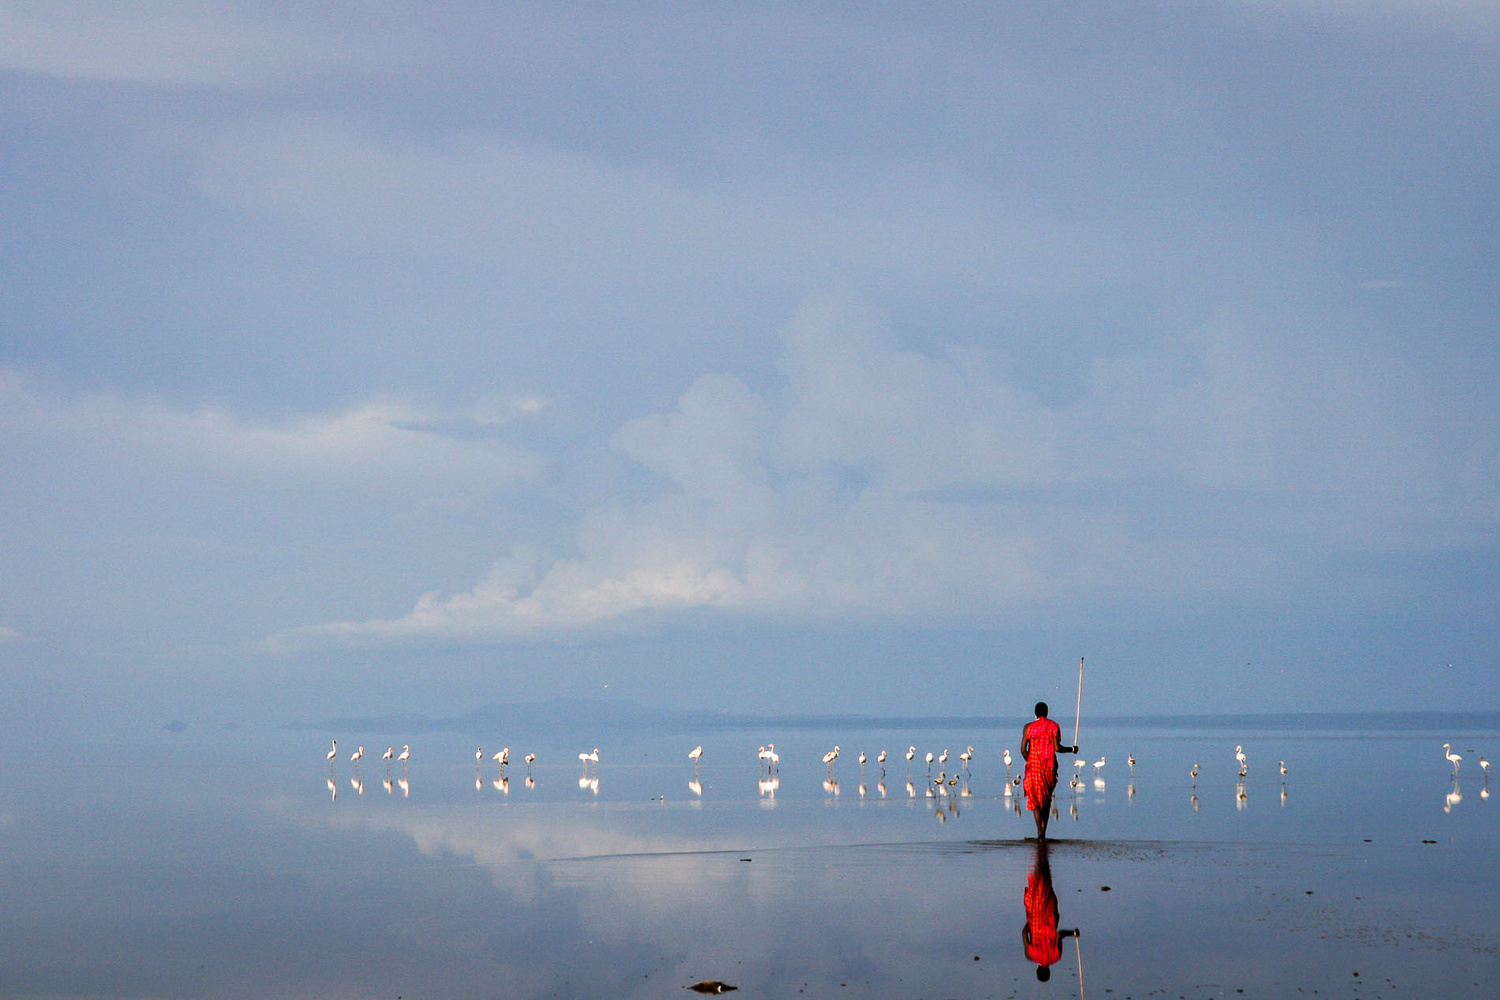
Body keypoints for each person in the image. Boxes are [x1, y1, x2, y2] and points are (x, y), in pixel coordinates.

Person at [1021, 840, 1079, 980]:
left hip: (1049, 913)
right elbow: (1024, 932)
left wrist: (1073, 933)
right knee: (1035, 883)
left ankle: (1043, 853)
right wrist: (1032, 922)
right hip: (1035, 915)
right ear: (1037, 969)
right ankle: (1038, 853)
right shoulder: (1030, 956)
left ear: (1049, 971)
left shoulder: (1056, 957)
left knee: (1046, 882)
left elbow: (1058, 935)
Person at [1021, 701, 1077, 840]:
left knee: (1034, 800)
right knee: (1046, 800)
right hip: (1048, 768)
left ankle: (1039, 831)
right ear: (1047, 712)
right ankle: (1043, 833)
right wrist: (1072, 749)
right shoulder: (1053, 726)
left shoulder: (1028, 727)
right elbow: (1057, 748)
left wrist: (1031, 761)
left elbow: (1023, 750)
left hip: (1033, 767)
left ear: (1035, 713)